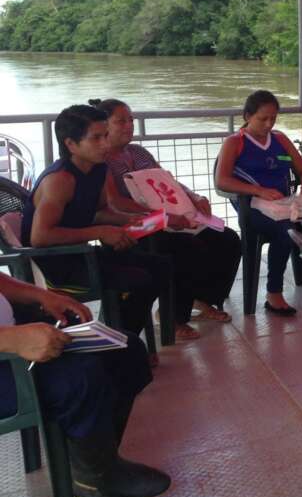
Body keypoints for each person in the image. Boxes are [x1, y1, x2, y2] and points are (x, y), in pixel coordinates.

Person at [0, 272, 170, 497]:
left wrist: (40, 295)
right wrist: (11, 339)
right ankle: (95, 477)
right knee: (77, 379)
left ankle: (96, 463)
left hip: (11, 332)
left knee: (124, 349)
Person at [94, 98, 242, 341]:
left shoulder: (138, 152)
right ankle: (172, 316)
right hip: (137, 226)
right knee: (187, 249)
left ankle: (202, 298)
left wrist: (193, 196)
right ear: (104, 125)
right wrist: (161, 216)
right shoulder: (102, 159)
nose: (129, 125)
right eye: (121, 121)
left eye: (131, 120)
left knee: (227, 239)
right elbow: (115, 203)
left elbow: (167, 182)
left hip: (166, 218)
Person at [21, 105, 169, 339]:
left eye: (106, 136)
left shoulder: (99, 168)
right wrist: (100, 232)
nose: (106, 144)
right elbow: (40, 237)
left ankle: (120, 336)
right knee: (139, 279)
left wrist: (136, 221)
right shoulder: (60, 179)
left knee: (161, 265)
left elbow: (100, 212)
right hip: (57, 264)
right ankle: (118, 339)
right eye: (96, 138)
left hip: (84, 253)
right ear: (71, 144)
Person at [215, 90, 302, 315]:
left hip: (286, 204)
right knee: (286, 230)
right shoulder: (235, 143)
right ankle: (274, 293)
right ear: (247, 116)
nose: (269, 124)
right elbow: (222, 180)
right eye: (263, 119)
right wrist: (258, 190)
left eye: (273, 118)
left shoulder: (280, 139)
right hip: (253, 208)